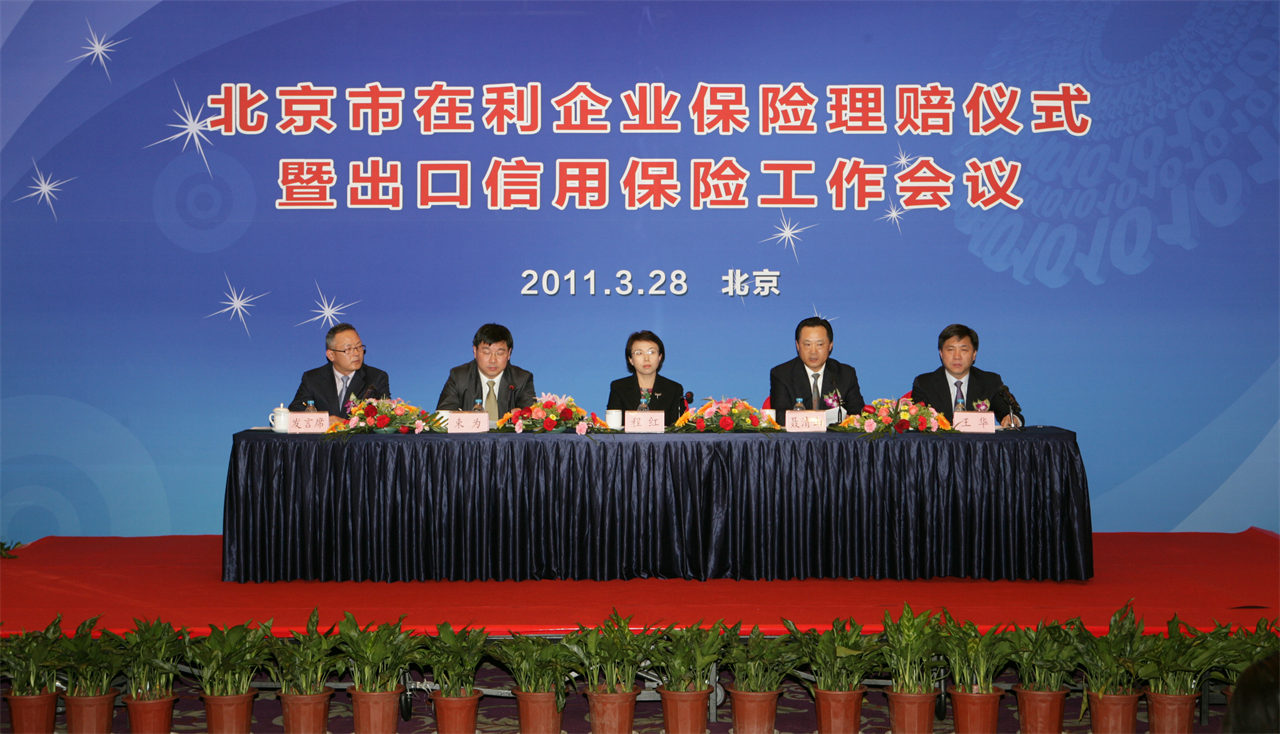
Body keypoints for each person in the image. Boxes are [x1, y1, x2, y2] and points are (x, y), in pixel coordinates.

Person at [910, 323, 1023, 426]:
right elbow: (918, 421)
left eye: (964, 350)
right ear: (941, 354)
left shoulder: (990, 381)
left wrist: (1012, 418)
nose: (957, 356)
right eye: (951, 350)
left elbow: (1008, 412)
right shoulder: (924, 384)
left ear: (974, 354)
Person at [436, 323, 536, 419]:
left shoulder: (522, 379)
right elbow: (444, 416)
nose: (493, 360)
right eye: (486, 352)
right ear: (475, 351)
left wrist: (522, 417)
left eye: (499, 353)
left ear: (509, 353)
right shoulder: (459, 377)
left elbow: (532, 421)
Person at [769, 316, 864, 417]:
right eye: (807, 344)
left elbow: (857, 413)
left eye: (820, 344)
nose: (813, 352)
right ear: (797, 345)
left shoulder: (846, 374)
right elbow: (780, 416)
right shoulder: (781, 374)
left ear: (830, 345)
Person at [288, 322, 390, 416]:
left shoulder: (376, 378)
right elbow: (295, 411)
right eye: (348, 349)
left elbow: (384, 416)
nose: (356, 353)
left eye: (359, 347)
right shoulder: (312, 379)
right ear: (331, 355)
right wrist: (326, 421)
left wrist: (344, 424)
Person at [607, 330, 687, 425]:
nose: (646, 358)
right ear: (631, 359)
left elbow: (678, 428)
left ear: (660, 357)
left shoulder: (674, 389)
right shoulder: (619, 388)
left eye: (651, 352)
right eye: (639, 353)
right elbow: (613, 428)